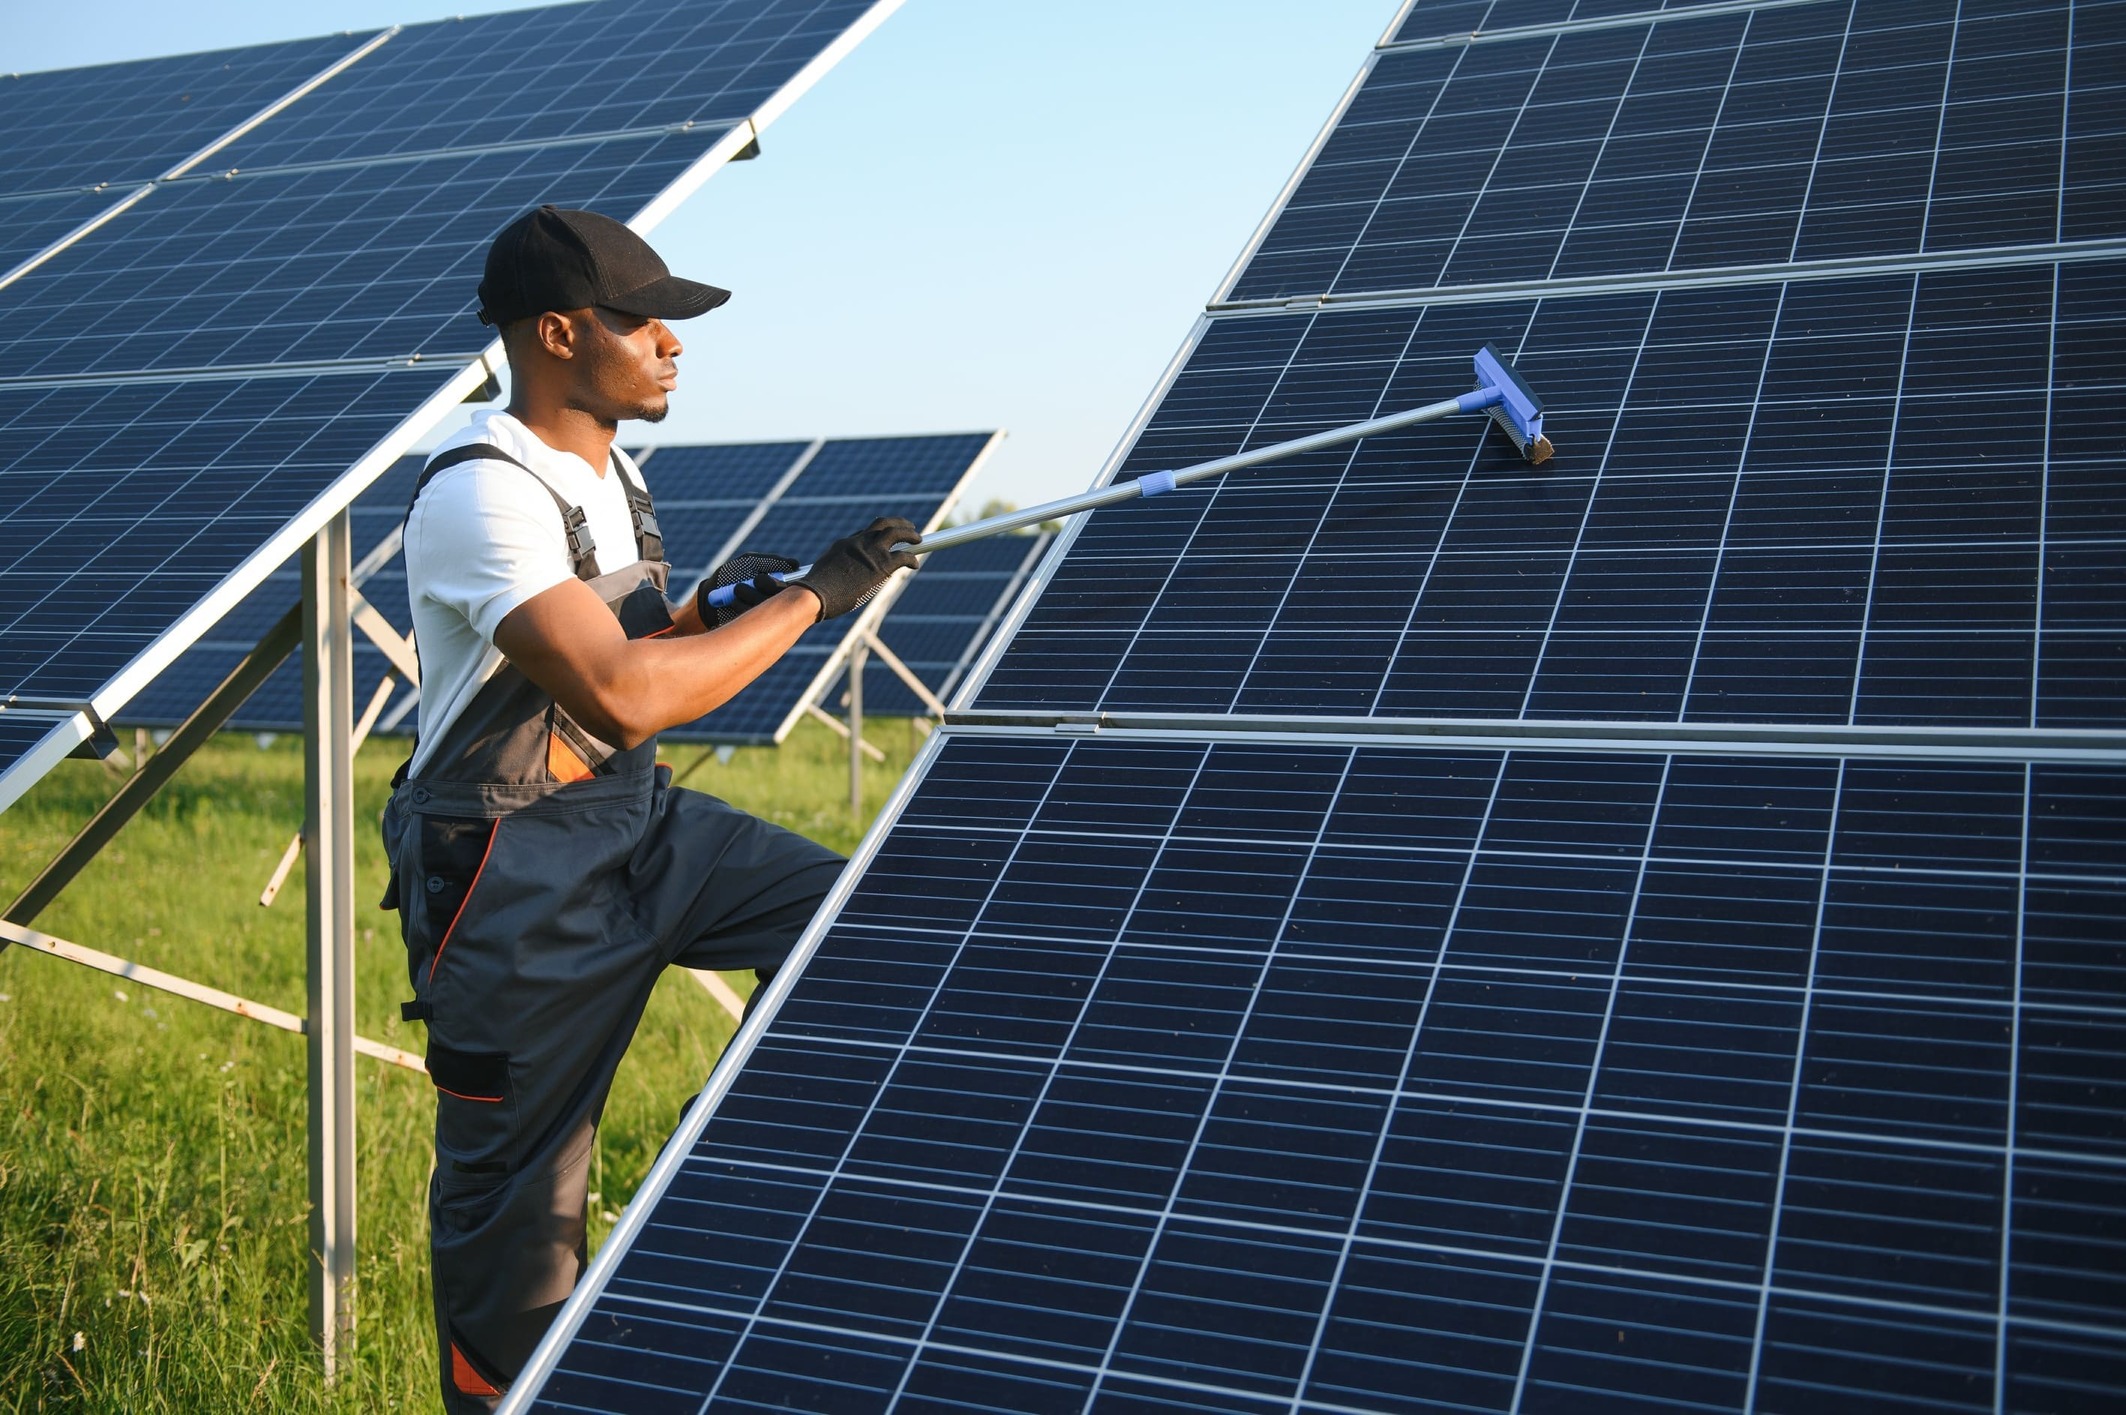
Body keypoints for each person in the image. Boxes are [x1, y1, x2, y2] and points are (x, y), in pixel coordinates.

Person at [379, 204, 919, 1412]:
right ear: (562, 332)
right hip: (511, 886)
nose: (673, 345)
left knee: (865, 936)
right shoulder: (480, 490)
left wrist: (724, 605)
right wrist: (815, 602)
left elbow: (626, 641)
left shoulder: (613, 470)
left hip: (637, 825)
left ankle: (695, 1203)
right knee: (520, 1235)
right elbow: (619, 691)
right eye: (648, 322)